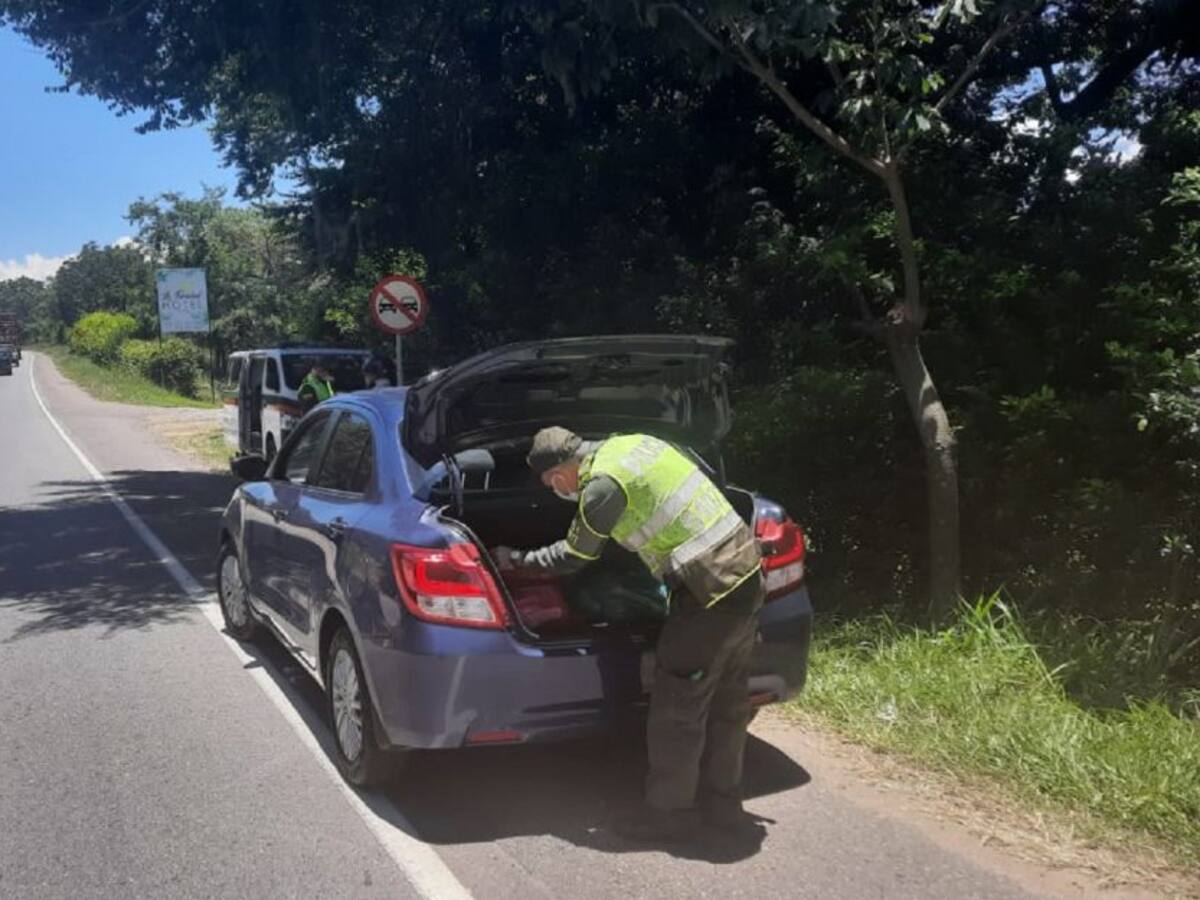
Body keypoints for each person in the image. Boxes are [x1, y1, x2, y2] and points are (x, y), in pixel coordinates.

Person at [493, 426, 765, 842]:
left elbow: (574, 555)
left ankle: (670, 816)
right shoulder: (634, 444)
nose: (555, 491)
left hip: (708, 593)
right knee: (729, 704)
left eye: (551, 483)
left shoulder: (602, 486)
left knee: (678, 711)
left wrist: (516, 559)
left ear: (561, 471)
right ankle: (724, 808)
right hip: (745, 575)